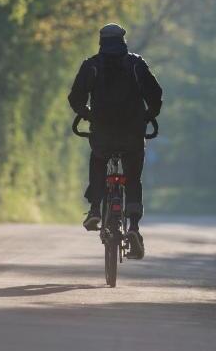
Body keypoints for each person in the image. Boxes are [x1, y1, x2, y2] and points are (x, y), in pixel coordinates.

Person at [67, 23, 163, 259]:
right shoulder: (136, 64)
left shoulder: (92, 65)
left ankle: (94, 209)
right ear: (123, 40)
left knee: (98, 160)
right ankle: (133, 227)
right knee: (133, 177)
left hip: (103, 131)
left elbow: (75, 97)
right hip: (132, 132)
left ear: (101, 41)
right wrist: (148, 116)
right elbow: (155, 94)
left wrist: (89, 114)